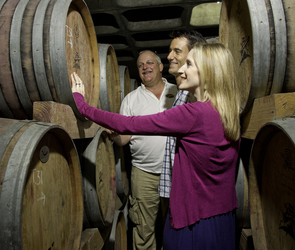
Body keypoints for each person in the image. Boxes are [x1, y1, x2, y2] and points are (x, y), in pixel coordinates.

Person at [71, 42, 240, 249]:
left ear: (207, 72)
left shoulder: (193, 113)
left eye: (188, 64)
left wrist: (82, 105)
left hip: (194, 221)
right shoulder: (227, 111)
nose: (180, 69)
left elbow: (128, 123)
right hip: (223, 217)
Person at [109, 50, 177, 249]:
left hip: (176, 171)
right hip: (144, 173)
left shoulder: (179, 92)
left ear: (160, 66)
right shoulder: (131, 99)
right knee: (142, 228)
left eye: (150, 63)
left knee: (175, 225)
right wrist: (113, 133)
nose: (145, 67)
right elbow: (123, 139)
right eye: (140, 65)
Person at [159, 30, 207, 199]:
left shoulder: (197, 95)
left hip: (191, 192)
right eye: (171, 50)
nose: (169, 56)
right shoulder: (182, 91)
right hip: (178, 188)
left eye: (177, 51)